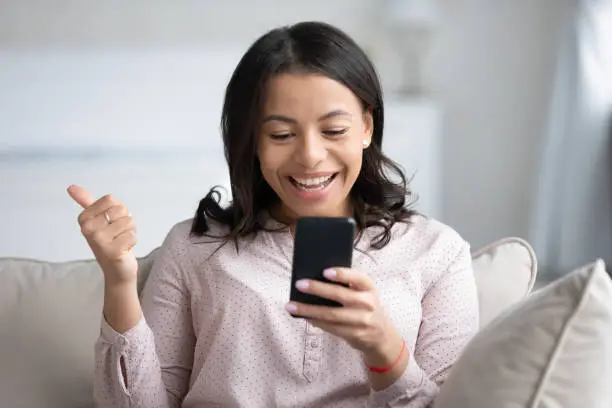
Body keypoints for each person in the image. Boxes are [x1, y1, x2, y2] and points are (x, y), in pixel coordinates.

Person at [68, 21, 478, 408]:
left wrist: (384, 348)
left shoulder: (437, 253)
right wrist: (120, 282)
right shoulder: (194, 248)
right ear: (253, 141)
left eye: (334, 131)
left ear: (367, 127)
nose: (311, 156)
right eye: (281, 135)